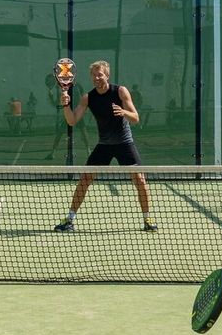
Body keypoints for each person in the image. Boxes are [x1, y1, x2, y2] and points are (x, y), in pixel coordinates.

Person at [53, 60, 155, 232]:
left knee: (140, 181)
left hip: (124, 143)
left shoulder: (120, 91)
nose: (96, 78)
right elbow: (71, 120)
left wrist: (124, 112)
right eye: (93, 75)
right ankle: (69, 220)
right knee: (85, 180)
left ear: (107, 75)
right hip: (104, 145)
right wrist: (65, 104)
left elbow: (135, 118)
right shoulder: (88, 97)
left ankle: (147, 219)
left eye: (100, 74)